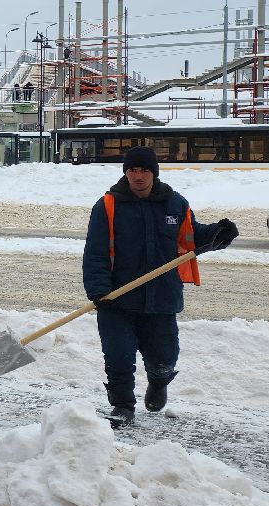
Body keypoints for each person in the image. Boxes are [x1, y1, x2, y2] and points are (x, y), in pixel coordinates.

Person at [82, 147, 237, 427]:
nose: (138, 176)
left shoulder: (174, 203)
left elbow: (191, 238)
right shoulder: (107, 205)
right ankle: (122, 406)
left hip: (162, 296)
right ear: (125, 172)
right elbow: (96, 251)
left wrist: (217, 233)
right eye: (132, 170)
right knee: (118, 355)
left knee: (164, 355)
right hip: (117, 297)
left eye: (144, 170)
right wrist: (98, 290)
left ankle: (159, 380)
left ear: (154, 172)